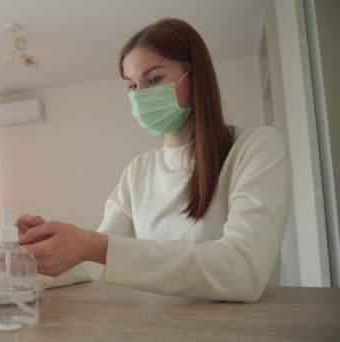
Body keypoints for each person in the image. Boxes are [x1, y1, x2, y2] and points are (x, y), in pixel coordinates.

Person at [15, 18, 292, 302]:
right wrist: (43, 253)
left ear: (195, 77)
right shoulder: (139, 171)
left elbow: (242, 271)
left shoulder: (255, 148)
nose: (141, 96)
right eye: (132, 86)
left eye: (154, 79)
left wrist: (93, 246)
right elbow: (93, 261)